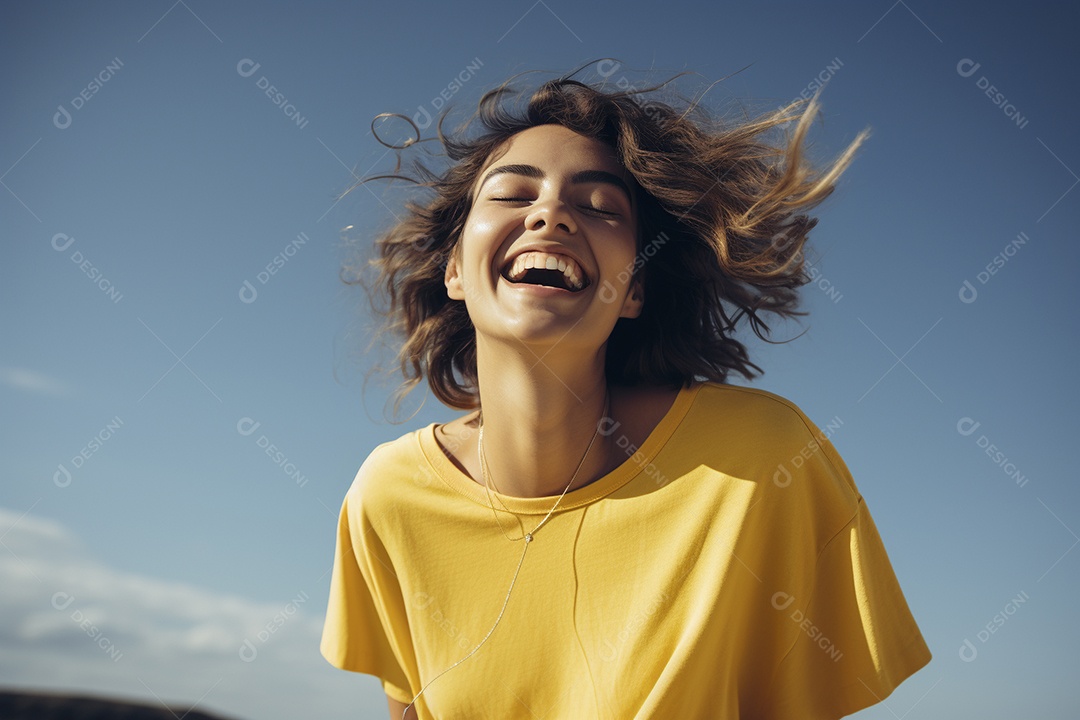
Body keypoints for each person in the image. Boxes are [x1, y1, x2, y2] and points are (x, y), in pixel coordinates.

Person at [320, 64, 932, 719]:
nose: (550, 214)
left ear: (634, 289)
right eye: (513, 194)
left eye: (599, 206)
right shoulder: (387, 497)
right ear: (454, 270)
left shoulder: (763, 461)